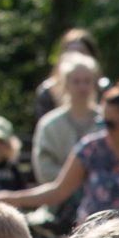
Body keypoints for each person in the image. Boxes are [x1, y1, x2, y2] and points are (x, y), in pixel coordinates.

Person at [5, 80, 119, 236]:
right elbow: (59, 191)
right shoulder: (91, 148)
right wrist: (11, 198)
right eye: (101, 122)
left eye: (111, 124)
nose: (105, 129)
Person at [33, 52, 103, 184]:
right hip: (59, 195)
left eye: (87, 81)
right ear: (65, 84)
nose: (82, 87)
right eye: (76, 82)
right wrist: (73, 180)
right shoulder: (49, 125)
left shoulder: (107, 121)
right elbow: (44, 169)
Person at [31, 28, 100, 121]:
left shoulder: (104, 89)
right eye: (71, 53)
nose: (76, 58)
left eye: (81, 53)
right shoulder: (47, 92)